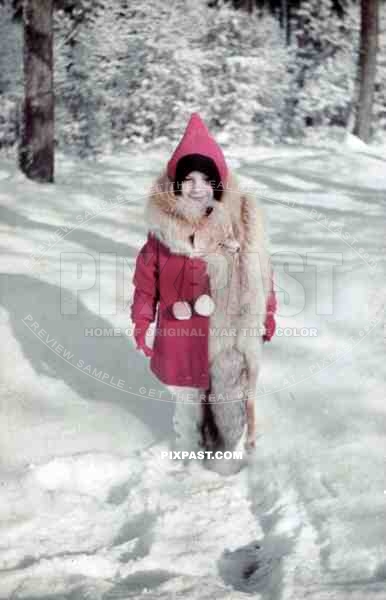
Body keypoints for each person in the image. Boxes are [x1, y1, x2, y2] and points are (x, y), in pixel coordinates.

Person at [130, 113, 277, 451]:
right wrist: (142, 323)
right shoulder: (161, 236)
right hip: (180, 336)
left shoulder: (237, 228)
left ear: (218, 184)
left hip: (227, 336)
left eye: (205, 179)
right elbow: (145, 286)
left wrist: (266, 318)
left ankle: (226, 452)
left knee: (226, 402)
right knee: (188, 405)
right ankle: (192, 454)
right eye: (189, 179)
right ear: (176, 184)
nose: (197, 188)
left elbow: (262, 278)